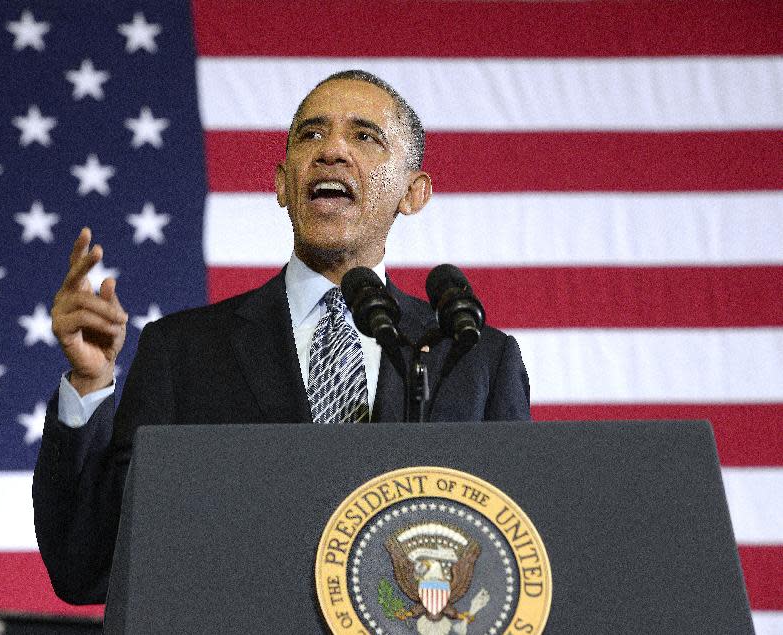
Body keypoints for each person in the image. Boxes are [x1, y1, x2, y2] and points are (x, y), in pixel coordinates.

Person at [33, 70, 530, 604]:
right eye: (311, 135)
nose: (332, 151)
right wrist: (90, 384)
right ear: (281, 184)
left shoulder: (476, 357)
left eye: (364, 136)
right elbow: (87, 565)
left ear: (413, 193)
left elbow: (517, 562)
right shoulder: (182, 352)